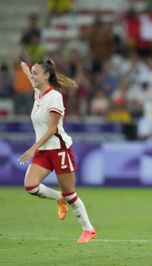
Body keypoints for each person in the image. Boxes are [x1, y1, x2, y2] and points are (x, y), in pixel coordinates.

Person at [19, 60, 96, 243]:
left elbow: (52, 129)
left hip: (59, 150)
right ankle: (59, 199)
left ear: (46, 75)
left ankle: (88, 229)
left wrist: (32, 148)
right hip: (44, 151)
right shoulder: (39, 93)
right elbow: (33, 83)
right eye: (32, 73)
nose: (32, 76)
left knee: (70, 193)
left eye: (35, 73)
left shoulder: (55, 97)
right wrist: (25, 69)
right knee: (30, 186)